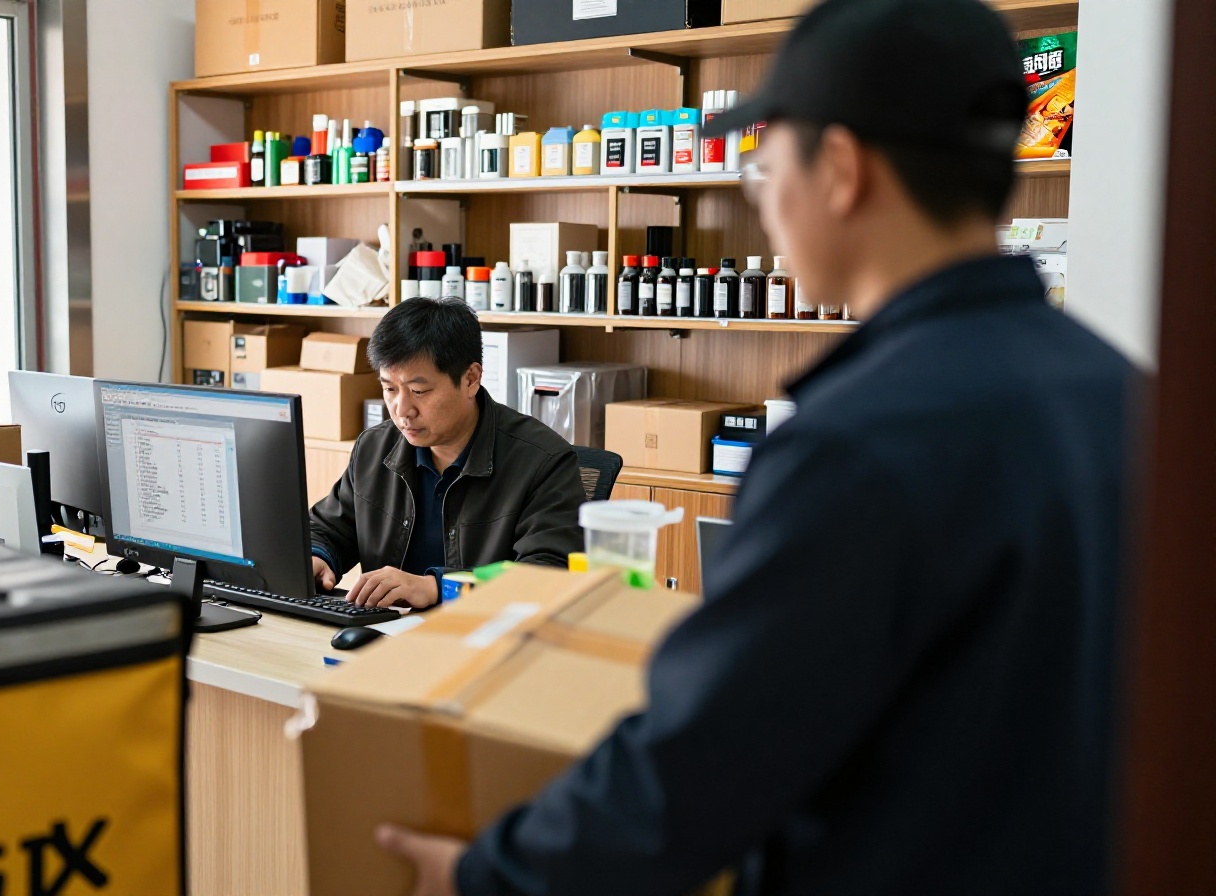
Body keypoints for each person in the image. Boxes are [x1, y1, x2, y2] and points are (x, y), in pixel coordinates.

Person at [377, 1, 1138, 894]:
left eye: (766, 164)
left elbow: (702, 763)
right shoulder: (1122, 392)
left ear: (842, 170)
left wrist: (488, 874)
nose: (760, 197)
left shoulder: (857, 442)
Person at [309, 297, 587, 610]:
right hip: (385, 637)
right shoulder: (375, 448)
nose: (402, 410)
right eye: (389, 389)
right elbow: (328, 527)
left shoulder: (544, 461)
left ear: (471, 379)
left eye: (419, 391)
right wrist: (319, 555)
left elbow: (547, 575)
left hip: (490, 641)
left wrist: (439, 587)